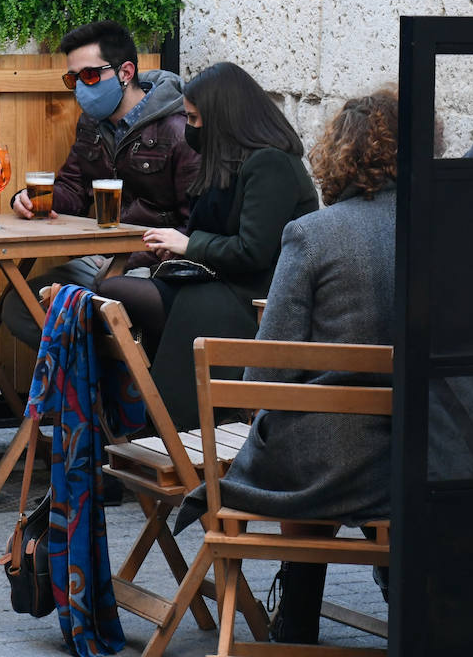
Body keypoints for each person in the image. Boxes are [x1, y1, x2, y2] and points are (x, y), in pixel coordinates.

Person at [177, 89, 399, 644]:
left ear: (339, 153)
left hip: (319, 467)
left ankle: (298, 617)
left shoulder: (314, 234)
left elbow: (266, 377)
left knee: (300, 431)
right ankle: (403, 598)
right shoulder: (443, 231)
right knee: (328, 433)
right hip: (414, 456)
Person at [96, 62, 319, 431]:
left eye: (195, 119)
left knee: (110, 293)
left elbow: (254, 251)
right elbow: (209, 232)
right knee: (105, 295)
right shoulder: (228, 162)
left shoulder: (271, 164)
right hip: (214, 282)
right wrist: (180, 250)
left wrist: (190, 244)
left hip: (253, 299)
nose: (190, 128)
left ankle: (164, 425)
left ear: (224, 118)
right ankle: (132, 421)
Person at [0, 20, 200, 349]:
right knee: (21, 307)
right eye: (73, 78)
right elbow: (72, 191)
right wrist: (29, 199)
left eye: (90, 76)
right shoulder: (92, 124)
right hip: (101, 261)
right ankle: (94, 386)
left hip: (150, 267)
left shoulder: (178, 129)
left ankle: (117, 388)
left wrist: (137, 257)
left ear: (125, 72)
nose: (81, 87)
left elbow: (193, 223)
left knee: (95, 311)